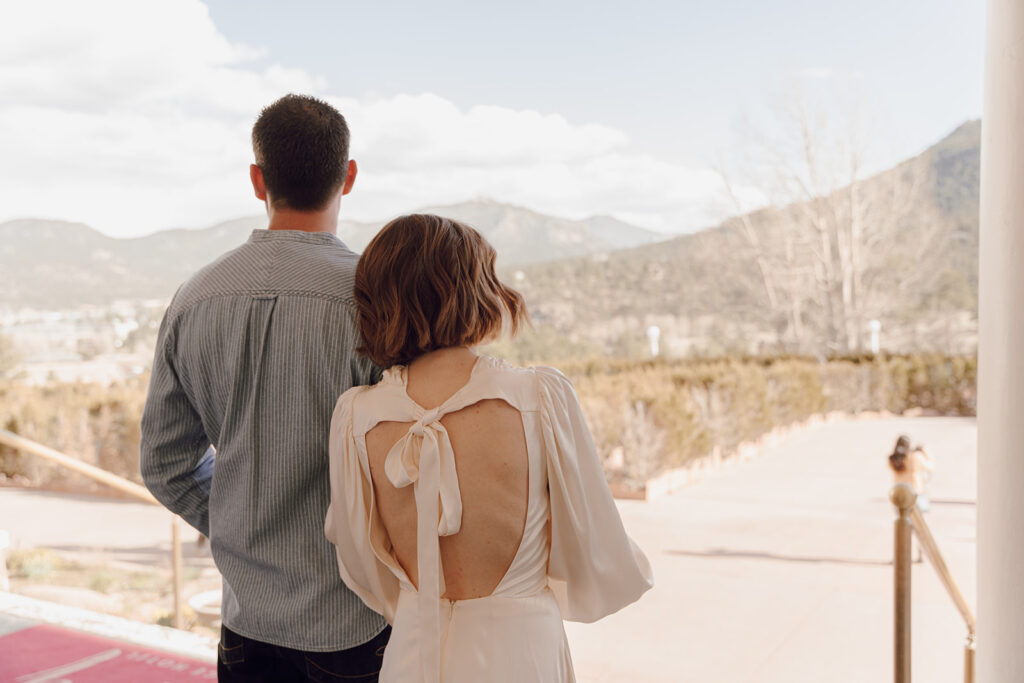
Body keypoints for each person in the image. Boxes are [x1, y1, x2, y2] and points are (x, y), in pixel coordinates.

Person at [324, 214, 653, 683]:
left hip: (413, 654)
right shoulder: (539, 398)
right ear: (474, 290)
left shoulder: (356, 417)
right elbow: (599, 552)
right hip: (520, 654)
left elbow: (362, 567)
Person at [140, 94, 390, 681]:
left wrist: (240, 526)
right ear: (348, 176)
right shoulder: (379, 298)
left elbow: (165, 464)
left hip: (245, 625)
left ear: (258, 180)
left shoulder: (193, 297)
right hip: (355, 620)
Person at [889, 434, 935, 511]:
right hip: (914, 492)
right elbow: (931, 466)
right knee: (917, 521)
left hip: (899, 493)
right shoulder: (915, 456)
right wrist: (925, 452)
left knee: (902, 520)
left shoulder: (892, 458)